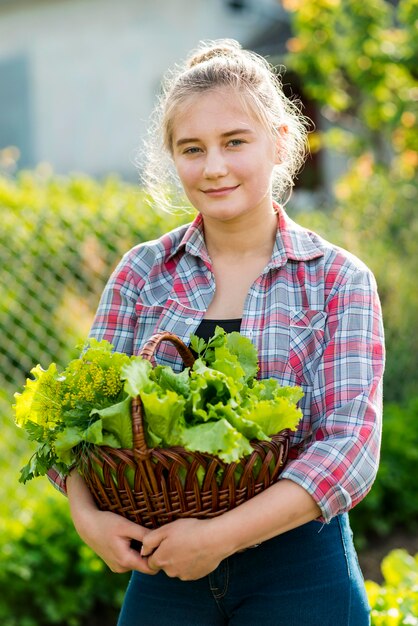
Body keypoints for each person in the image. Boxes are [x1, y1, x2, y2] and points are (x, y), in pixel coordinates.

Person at [48, 39, 385, 625]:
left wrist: (221, 536)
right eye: (192, 149)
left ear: (279, 142)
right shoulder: (142, 274)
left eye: (235, 142)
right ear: (172, 158)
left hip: (300, 569)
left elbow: (349, 447)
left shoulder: (337, 279)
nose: (214, 167)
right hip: (164, 568)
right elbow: (78, 416)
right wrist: (89, 517)